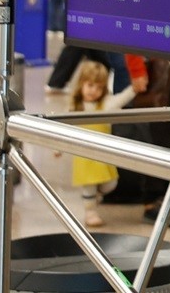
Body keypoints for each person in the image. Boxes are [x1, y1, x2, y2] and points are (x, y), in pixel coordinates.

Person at [56, 59, 143, 227]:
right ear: (81, 84)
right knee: (89, 185)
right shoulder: (75, 108)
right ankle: (90, 212)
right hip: (84, 157)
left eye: (99, 87)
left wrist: (134, 88)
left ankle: (96, 196)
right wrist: (60, 148)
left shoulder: (105, 105)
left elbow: (121, 99)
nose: (93, 91)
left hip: (103, 156)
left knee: (110, 184)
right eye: (90, 85)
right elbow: (64, 129)